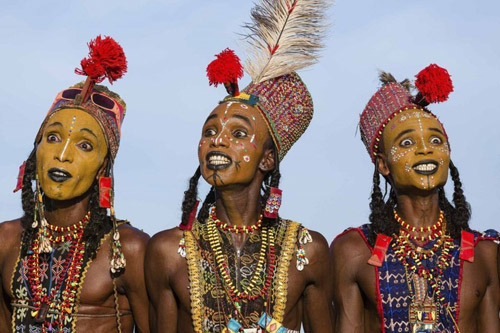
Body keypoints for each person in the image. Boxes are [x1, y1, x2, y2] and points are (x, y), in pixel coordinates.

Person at [145, 0, 333, 331]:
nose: (217, 141)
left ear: (268, 158)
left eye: (239, 133)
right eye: (210, 131)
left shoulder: (309, 249)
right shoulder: (167, 251)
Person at [330, 65, 500, 332]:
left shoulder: (485, 252)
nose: (425, 150)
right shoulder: (354, 250)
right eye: (407, 143)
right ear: (384, 165)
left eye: (435, 140)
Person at [0, 36, 150, 332]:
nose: (63, 155)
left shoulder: (129, 248)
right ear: (36, 151)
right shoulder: (5, 239)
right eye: (53, 138)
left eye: (84, 145)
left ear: (102, 167)